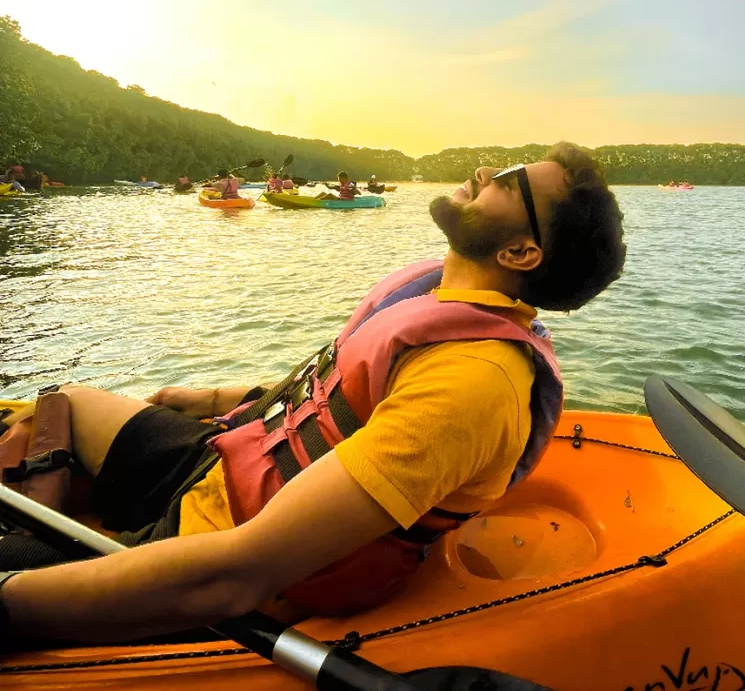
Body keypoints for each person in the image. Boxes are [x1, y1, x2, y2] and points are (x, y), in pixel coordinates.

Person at [0, 144, 625, 647]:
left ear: (520, 251)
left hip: (222, 535)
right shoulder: (436, 295)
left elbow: (237, 575)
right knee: (64, 401)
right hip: (222, 461)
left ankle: (39, 542)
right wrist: (219, 397)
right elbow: (343, 394)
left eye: (510, 180)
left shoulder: (474, 382)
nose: (486, 171)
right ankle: (43, 517)